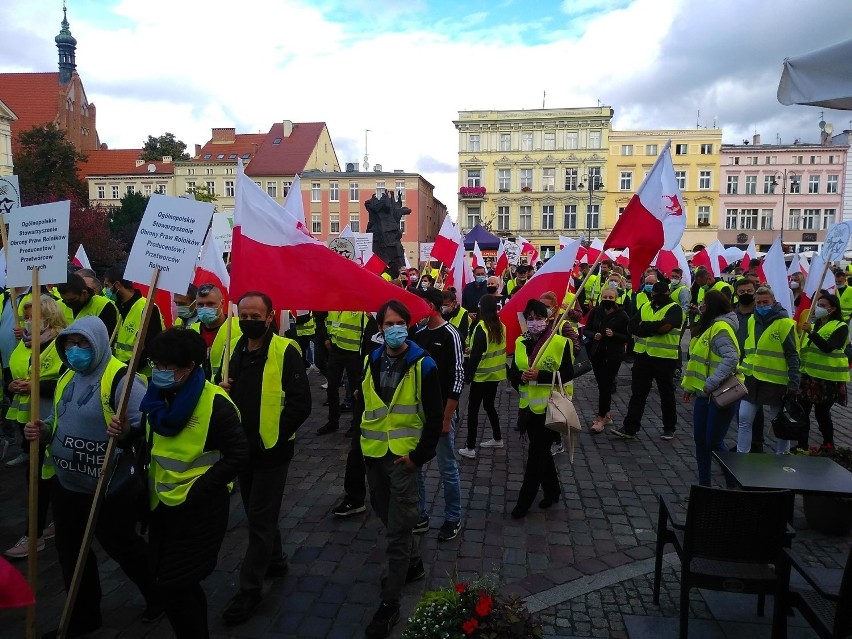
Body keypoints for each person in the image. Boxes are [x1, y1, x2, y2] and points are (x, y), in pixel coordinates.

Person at [24, 316, 159, 636]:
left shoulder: (122, 379)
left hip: (107, 486)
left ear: (98, 342)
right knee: (71, 554)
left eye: (82, 343)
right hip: (68, 484)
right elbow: (60, 421)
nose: (74, 350)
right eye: (69, 343)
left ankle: (158, 594)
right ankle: (84, 615)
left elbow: (149, 425)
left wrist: (127, 431)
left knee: (123, 546)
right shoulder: (65, 376)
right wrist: (42, 433)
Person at [141, 328, 249, 638]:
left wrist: (199, 490)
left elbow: (238, 455)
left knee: (175, 584)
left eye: (167, 368)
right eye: (156, 365)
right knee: (174, 583)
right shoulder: (157, 397)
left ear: (190, 367)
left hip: (199, 510)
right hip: (161, 506)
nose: (159, 372)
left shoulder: (216, 404)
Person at [219, 291, 311, 625]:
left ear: (270, 317)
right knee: (258, 511)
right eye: (244, 315)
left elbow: (302, 405)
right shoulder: (235, 348)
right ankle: (275, 560)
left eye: (256, 316)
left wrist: (273, 437)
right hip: (241, 450)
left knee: (258, 517)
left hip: (271, 451)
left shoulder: (286, 350)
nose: (249, 321)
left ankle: (249, 589)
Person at [359, 300, 443, 639]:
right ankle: (413, 563)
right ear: (380, 328)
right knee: (383, 512)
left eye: (398, 322)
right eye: (387, 323)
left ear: (408, 325)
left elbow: (435, 418)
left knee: (398, 529)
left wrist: (417, 457)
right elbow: (367, 405)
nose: (393, 328)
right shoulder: (372, 359)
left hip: (403, 460)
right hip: (374, 454)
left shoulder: (424, 365)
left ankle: (390, 602)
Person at [4, 296, 67, 559]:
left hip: (51, 421)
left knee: (41, 477)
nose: (28, 321)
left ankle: (35, 535)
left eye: (33, 316)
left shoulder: (63, 343)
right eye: (26, 316)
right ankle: (46, 525)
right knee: (39, 476)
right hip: (27, 420)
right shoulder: (24, 343)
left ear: (49, 315)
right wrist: (11, 386)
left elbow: (67, 381)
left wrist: (36, 386)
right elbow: (13, 371)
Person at [509, 300, 573, 518]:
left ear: (547, 319)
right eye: (530, 318)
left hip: (551, 407)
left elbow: (568, 374)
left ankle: (523, 502)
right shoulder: (521, 341)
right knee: (541, 451)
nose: (534, 322)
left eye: (538, 318)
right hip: (528, 409)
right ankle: (553, 491)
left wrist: (541, 376)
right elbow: (512, 374)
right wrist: (520, 376)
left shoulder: (560, 342)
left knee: (536, 456)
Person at [413, 287, 464, 542]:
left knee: (447, 467)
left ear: (432, 306)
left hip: (441, 412)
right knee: (417, 467)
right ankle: (420, 515)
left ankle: (453, 516)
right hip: (418, 414)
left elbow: (458, 377)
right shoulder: (419, 334)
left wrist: (446, 417)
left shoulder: (450, 334)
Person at [681, 291, 740, 486]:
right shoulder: (710, 326)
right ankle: (704, 484)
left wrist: (710, 383)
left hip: (719, 394)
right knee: (701, 440)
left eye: (704, 302)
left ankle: (734, 482)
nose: (700, 305)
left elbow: (731, 358)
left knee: (713, 441)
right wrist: (691, 387)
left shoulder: (721, 327)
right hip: (703, 395)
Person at [612, 281, 683, 441]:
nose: (656, 296)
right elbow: (631, 326)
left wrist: (645, 326)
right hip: (643, 357)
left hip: (664, 358)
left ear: (668, 294)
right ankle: (630, 428)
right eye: (654, 293)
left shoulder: (675, 309)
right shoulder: (645, 306)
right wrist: (651, 329)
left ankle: (669, 427)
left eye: (660, 293)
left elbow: (666, 326)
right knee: (638, 394)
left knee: (666, 394)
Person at [736, 285, 800, 454]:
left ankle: (782, 455)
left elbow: (793, 355)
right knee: (744, 419)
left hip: (775, 381)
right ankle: (742, 455)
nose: (762, 305)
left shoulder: (785, 324)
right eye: (759, 303)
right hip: (751, 379)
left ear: (774, 302)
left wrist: (794, 383)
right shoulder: (752, 320)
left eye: (766, 302)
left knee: (779, 423)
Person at [797, 293, 849, 450]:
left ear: (832, 309)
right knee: (802, 412)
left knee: (821, 413)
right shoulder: (813, 325)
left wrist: (811, 334)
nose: (818, 308)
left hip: (828, 379)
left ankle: (828, 444)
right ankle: (802, 445)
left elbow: (827, 347)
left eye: (823, 305)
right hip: (808, 376)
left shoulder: (840, 326)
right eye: (817, 304)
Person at [459, 294, 506, 458]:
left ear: (481, 308)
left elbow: (477, 356)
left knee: (472, 410)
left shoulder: (481, 327)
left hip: (481, 376)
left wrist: (467, 376)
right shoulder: (500, 325)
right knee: (489, 406)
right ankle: (497, 437)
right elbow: (489, 348)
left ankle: (470, 447)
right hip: (495, 375)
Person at [317, 310, 372, 434]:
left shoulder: (359, 307)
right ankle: (333, 422)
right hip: (335, 350)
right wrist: (326, 338)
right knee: (331, 387)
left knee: (354, 390)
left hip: (353, 353)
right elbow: (320, 319)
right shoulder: (334, 304)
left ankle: (355, 423)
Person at [104, 265, 165, 376]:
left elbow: (153, 347)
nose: (105, 290)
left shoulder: (147, 308)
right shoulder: (120, 306)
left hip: (142, 376)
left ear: (117, 285)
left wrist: (128, 369)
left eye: (107, 285)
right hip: (123, 371)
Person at [583, 286, 629, 434]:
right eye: (605, 297)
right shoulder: (596, 312)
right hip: (597, 353)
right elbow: (586, 329)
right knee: (602, 384)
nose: (607, 300)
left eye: (611, 298)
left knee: (605, 384)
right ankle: (607, 414)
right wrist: (593, 335)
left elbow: (628, 337)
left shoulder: (622, 315)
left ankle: (601, 417)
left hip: (613, 355)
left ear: (615, 299)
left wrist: (614, 334)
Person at [732, 278, 765, 452]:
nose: (745, 294)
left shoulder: (761, 314)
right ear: (736, 293)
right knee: (740, 409)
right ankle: (744, 442)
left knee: (753, 408)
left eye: (749, 292)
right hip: (735, 367)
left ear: (755, 292)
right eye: (741, 292)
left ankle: (756, 443)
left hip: (754, 367)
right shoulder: (732, 313)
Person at [192, 283, 241, 380]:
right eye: (200, 304)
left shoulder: (238, 328)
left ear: (222, 303)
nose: (205, 308)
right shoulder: (192, 331)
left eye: (210, 304)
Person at [57, 272, 119, 340]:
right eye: (64, 300)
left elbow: (106, 338)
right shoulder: (58, 305)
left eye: (72, 299)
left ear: (84, 293)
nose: (67, 303)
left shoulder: (104, 305)